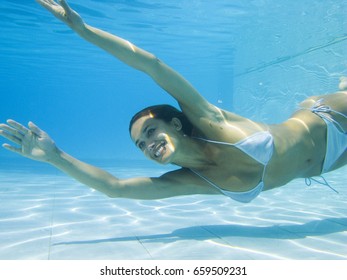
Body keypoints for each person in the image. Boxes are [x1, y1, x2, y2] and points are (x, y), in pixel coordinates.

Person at [0, 0, 346, 203]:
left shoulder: (211, 121)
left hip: (332, 118)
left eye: (150, 131)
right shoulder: (189, 180)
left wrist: (85, 31)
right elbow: (115, 187)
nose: (148, 144)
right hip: (330, 163)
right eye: (140, 144)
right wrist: (55, 156)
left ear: (177, 123)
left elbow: (151, 65)